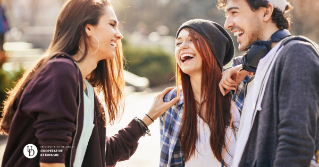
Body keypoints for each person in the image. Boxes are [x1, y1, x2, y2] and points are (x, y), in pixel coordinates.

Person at [0, 0, 179, 167]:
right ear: (88, 28)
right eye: (111, 24)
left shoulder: (86, 91)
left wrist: (150, 116)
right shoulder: (61, 71)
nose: (119, 34)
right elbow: (51, 158)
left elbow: (103, 153)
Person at [218, 0, 319, 166]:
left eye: (234, 12)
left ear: (266, 12)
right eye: (226, 15)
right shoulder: (260, 68)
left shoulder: (297, 53)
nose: (227, 23)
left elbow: (295, 146)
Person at [159, 19, 241, 167]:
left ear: (213, 50)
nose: (183, 46)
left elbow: (272, 56)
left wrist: (244, 69)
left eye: (192, 40)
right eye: (178, 43)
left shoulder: (239, 89)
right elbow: (170, 161)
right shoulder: (172, 101)